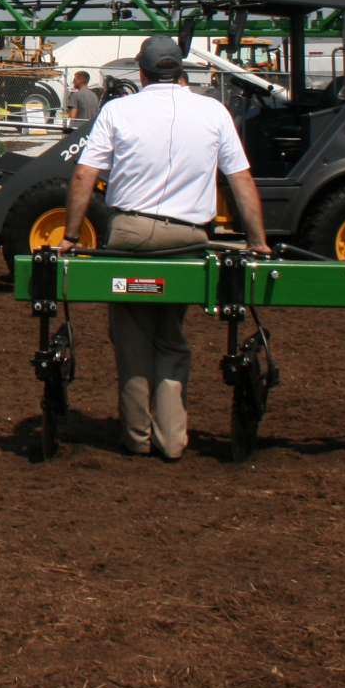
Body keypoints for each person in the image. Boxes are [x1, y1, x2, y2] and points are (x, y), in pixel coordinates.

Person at [60, 36, 270, 460]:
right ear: (181, 72)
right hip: (189, 237)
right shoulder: (213, 111)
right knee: (170, 338)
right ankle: (172, 439)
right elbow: (240, 179)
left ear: (141, 73)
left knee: (131, 335)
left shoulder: (118, 110)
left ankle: (136, 436)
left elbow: (85, 175)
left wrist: (70, 235)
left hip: (130, 234)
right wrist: (257, 240)